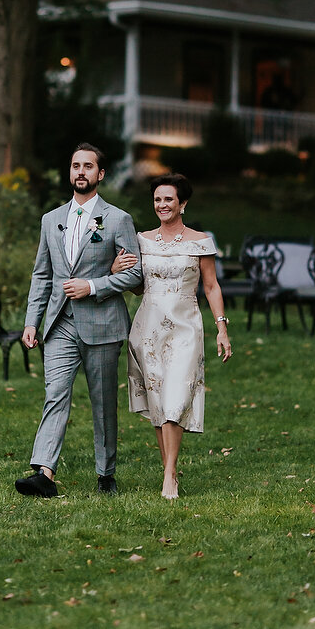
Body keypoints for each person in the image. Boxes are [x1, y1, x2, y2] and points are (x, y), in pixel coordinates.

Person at [15, 143, 142, 498]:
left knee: (103, 402)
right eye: (75, 165)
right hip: (59, 324)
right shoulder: (50, 219)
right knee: (55, 394)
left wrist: (94, 285)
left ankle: (106, 474)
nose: (80, 171)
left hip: (102, 323)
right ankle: (43, 472)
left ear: (100, 174)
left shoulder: (118, 219)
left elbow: (136, 275)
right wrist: (31, 321)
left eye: (88, 166)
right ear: (69, 172)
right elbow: (42, 274)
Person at [112, 173, 231, 500]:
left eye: (168, 199)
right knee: (159, 399)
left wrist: (221, 328)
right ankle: (170, 471)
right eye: (157, 200)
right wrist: (116, 271)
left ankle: (169, 474)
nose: (161, 205)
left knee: (177, 394)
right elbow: (137, 286)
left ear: (183, 203)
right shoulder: (143, 240)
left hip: (185, 326)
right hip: (148, 328)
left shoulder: (200, 241)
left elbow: (211, 286)